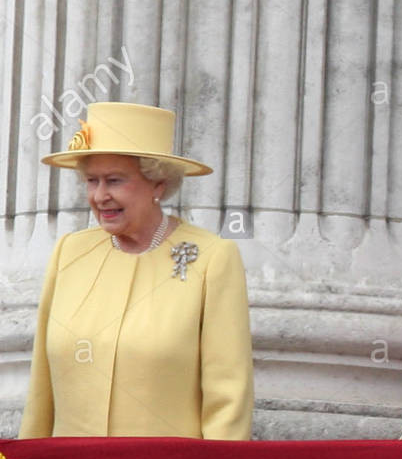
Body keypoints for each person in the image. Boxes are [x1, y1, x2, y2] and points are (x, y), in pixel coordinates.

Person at [19, 102, 254, 439]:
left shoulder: (212, 258)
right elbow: (41, 386)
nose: (100, 196)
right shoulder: (69, 253)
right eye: (91, 181)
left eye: (114, 180)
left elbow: (228, 397)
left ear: (158, 183)